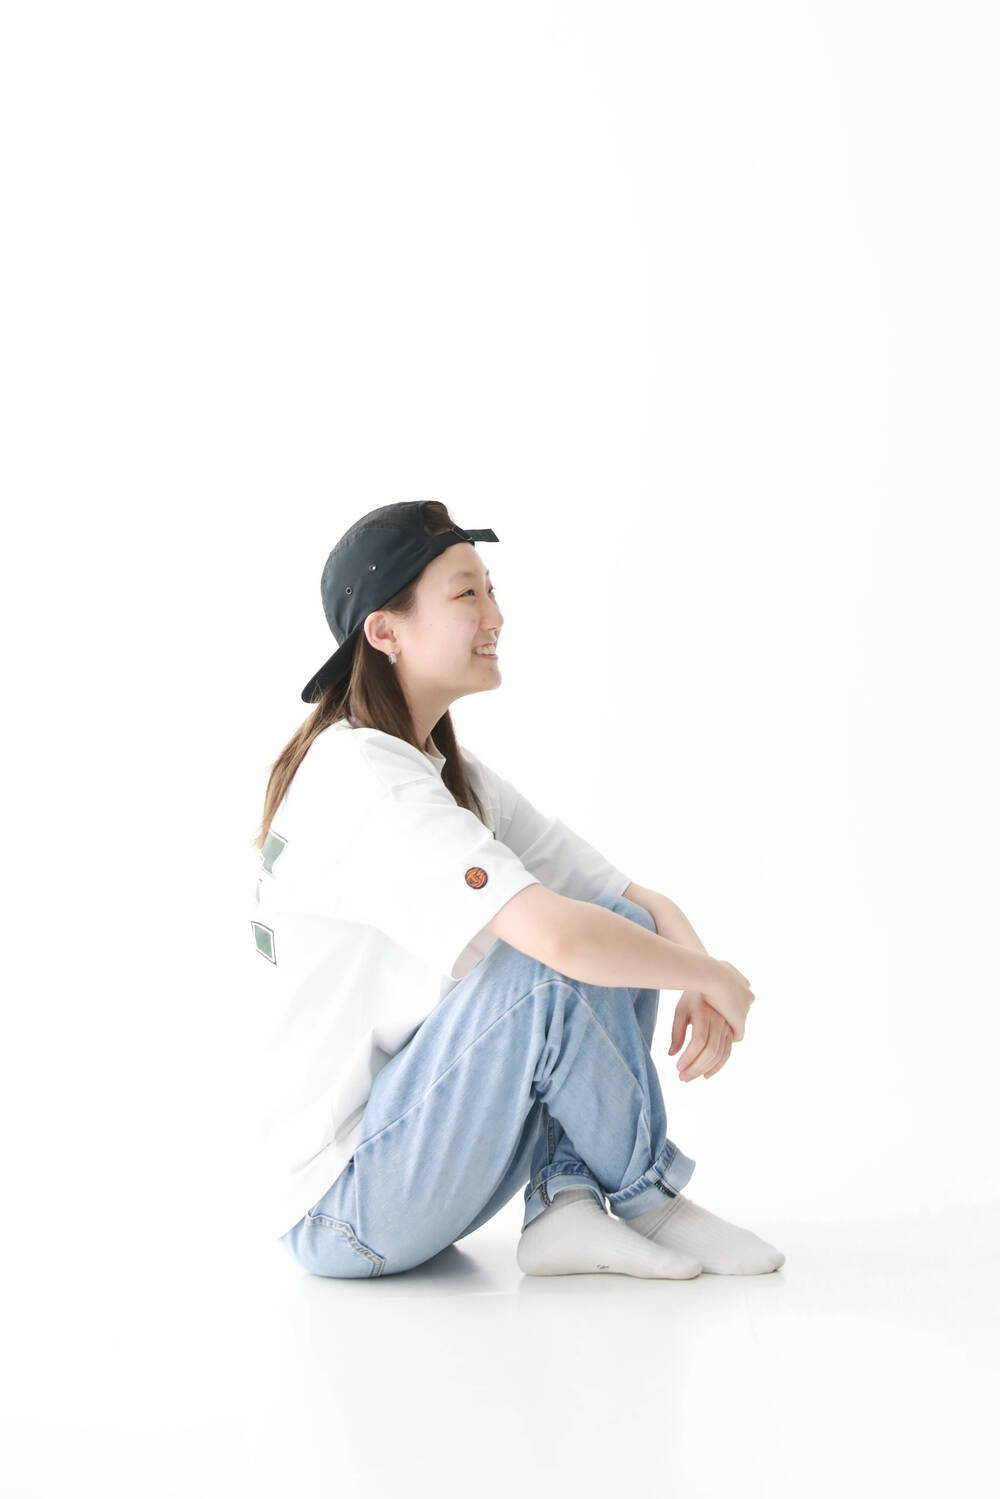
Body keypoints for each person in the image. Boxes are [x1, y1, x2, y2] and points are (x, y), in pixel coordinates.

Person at [249, 498, 784, 1279]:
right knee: (546, 955)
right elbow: (557, 942)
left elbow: (632, 901)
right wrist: (714, 977)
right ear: (385, 631)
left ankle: (566, 1204)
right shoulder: (365, 781)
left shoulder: (442, 775)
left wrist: (696, 965)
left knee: (612, 925)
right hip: (344, 1206)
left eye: (491, 590)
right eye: (466, 594)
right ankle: (651, 1198)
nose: (495, 615)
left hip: (406, 1148)